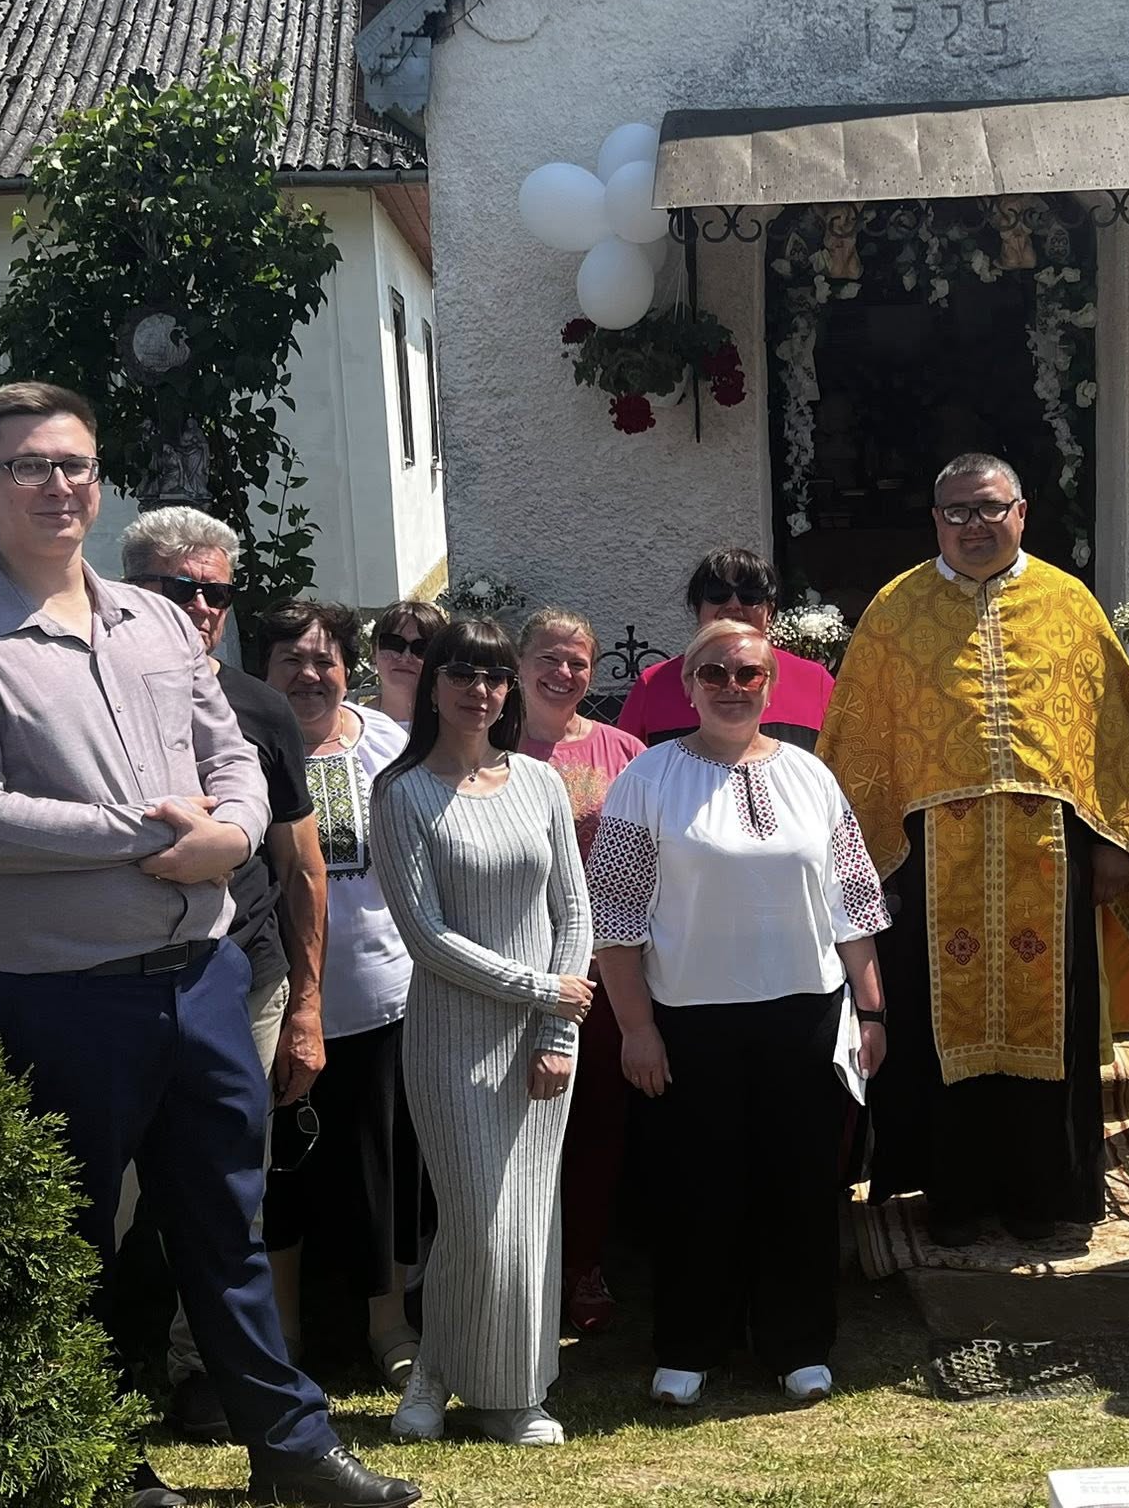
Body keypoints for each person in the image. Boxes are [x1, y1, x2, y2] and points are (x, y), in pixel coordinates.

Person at [0, 382, 417, 1508]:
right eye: (28, 465)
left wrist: (232, 833)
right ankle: (99, 1461)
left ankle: (290, 1450)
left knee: (225, 1224)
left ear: (98, 481)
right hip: (59, 996)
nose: (56, 485)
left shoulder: (159, 622)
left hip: (204, 978)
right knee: (74, 1240)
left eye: (74, 464)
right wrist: (153, 838)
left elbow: (230, 755)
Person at [817, 453, 1129, 1245]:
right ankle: (952, 1199)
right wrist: (859, 861)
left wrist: (1114, 841)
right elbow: (859, 739)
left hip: (1050, 855)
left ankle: (1044, 1196)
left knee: (1051, 1027)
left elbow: (1110, 734)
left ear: (1022, 513)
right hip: (929, 859)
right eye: (957, 511)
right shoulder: (896, 609)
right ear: (935, 521)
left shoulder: (1069, 604)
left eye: (991, 508)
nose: (975, 525)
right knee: (933, 1026)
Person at [589, 618, 889, 1407]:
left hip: (805, 1013)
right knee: (698, 1185)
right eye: (714, 673)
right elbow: (614, 917)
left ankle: (798, 1344)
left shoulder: (810, 776)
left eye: (747, 674)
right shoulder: (648, 778)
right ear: (688, 686)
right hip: (690, 1019)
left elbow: (854, 902)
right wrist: (638, 1028)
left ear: (770, 685)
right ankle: (691, 1343)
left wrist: (872, 1012)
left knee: (799, 1184)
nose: (731, 687)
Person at [116, 506, 330, 1440]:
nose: (203, 608)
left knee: (226, 1189)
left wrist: (308, 1008)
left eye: (218, 593)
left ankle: (204, 1374)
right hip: (117, 977)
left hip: (246, 977)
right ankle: (103, 1369)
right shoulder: (94, 698)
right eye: (182, 589)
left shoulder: (261, 708)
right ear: (130, 590)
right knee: (118, 1194)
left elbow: (301, 869)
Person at [371, 619, 594, 1447]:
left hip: (543, 1039)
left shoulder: (538, 784)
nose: (480, 690)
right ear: (433, 684)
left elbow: (573, 914)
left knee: (528, 1219)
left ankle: (513, 1394)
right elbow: (427, 938)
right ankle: (439, 1372)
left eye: (495, 676)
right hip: (451, 1041)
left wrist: (556, 1031)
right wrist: (541, 988)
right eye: (462, 673)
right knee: (476, 1222)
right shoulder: (401, 793)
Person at [256, 599, 425, 1390]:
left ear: (347, 669)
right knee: (280, 1173)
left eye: (324, 659)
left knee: (379, 1170)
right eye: (290, 659)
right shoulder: (236, 745)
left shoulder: (389, 744)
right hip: (268, 999)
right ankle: (285, 1331)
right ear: (262, 669)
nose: (309, 675)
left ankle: (389, 1327)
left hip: (381, 995)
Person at [513, 607, 646, 1333]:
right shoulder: (490, 745)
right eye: (549, 658)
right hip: (512, 969)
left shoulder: (624, 751)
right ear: (519, 662)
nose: (563, 673)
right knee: (520, 1126)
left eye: (578, 663)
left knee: (597, 1121)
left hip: (602, 971)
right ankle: (521, 1273)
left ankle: (585, 1265)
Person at [616, 549, 835, 749]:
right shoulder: (654, 685)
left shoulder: (815, 682)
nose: (734, 605)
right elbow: (623, 767)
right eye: (718, 592)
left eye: (750, 594)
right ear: (697, 607)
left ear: (769, 611)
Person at [369, 600, 447, 728]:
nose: (405, 657)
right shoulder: (352, 726)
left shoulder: (456, 727)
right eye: (393, 643)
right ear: (373, 650)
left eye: (421, 648)